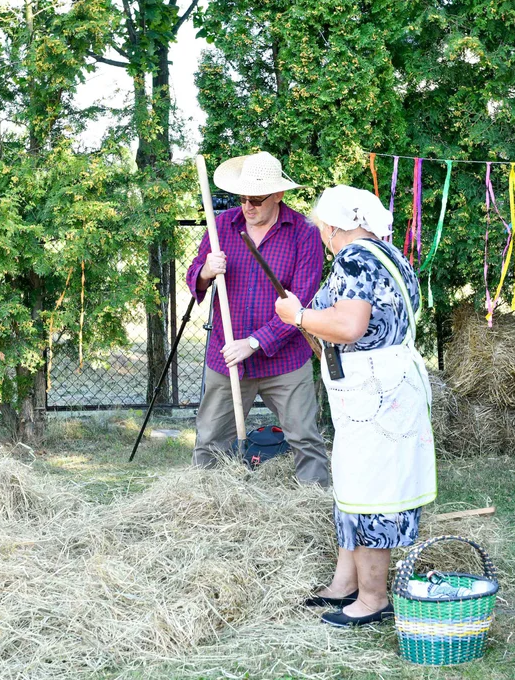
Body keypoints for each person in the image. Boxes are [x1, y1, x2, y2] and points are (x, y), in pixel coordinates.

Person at [274, 184, 436, 627]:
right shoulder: (386, 253)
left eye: (321, 228)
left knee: (371, 489)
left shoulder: (354, 258)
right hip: (384, 386)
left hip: (375, 392)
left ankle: (372, 598)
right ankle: (345, 584)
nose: (321, 236)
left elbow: (349, 325)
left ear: (331, 226)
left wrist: (299, 316)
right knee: (355, 481)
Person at [186, 151, 329, 486]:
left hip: (284, 360)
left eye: (256, 200)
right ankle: (203, 504)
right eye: (242, 198)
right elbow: (195, 275)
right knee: (209, 442)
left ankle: (315, 506)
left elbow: (301, 303)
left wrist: (254, 343)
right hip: (228, 359)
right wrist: (206, 270)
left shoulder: (304, 233)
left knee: (305, 439)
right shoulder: (222, 225)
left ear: (278, 195)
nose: (247, 207)